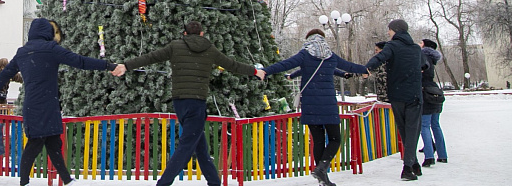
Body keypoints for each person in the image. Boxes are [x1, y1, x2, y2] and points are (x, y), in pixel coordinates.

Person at [112, 20, 259, 186]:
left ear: (185, 33)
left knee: (199, 146)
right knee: (187, 146)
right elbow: (232, 65)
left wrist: (126, 65)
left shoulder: (175, 46)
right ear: (202, 34)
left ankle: (214, 182)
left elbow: (151, 57)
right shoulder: (210, 50)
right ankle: (163, 184)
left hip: (180, 102)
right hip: (197, 102)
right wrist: (254, 71)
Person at [0, 18, 116, 186]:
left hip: (32, 104)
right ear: (47, 32)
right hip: (49, 103)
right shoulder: (51, 49)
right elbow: (80, 61)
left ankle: (67, 180)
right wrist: (107, 65)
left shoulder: (22, 52)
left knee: (53, 142)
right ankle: (24, 182)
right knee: (36, 143)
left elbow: (4, 74)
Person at [256, 29, 369, 186]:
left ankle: (322, 175)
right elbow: (349, 66)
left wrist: (265, 71)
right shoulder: (331, 56)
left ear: (308, 40)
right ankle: (322, 168)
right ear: (323, 39)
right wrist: (364, 70)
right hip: (328, 104)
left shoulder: (304, 54)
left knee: (318, 140)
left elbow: (285, 64)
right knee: (335, 138)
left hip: (310, 104)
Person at [366, 20, 423, 181]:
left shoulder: (392, 46)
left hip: (397, 95)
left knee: (404, 130)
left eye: (389, 30)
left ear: (396, 31)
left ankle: (411, 165)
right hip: (414, 95)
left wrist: (367, 69)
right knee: (412, 130)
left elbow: (379, 58)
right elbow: (425, 64)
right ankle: (409, 166)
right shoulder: (415, 49)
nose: (388, 33)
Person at [419, 39, 447, 166]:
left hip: (425, 93)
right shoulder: (432, 59)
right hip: (435, 92)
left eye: (421, 42)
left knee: (424, 125)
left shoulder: (422, 56)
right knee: (435, 125)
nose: (418, 44)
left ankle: (429, 156)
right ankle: (442, 155)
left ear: (425, 46)